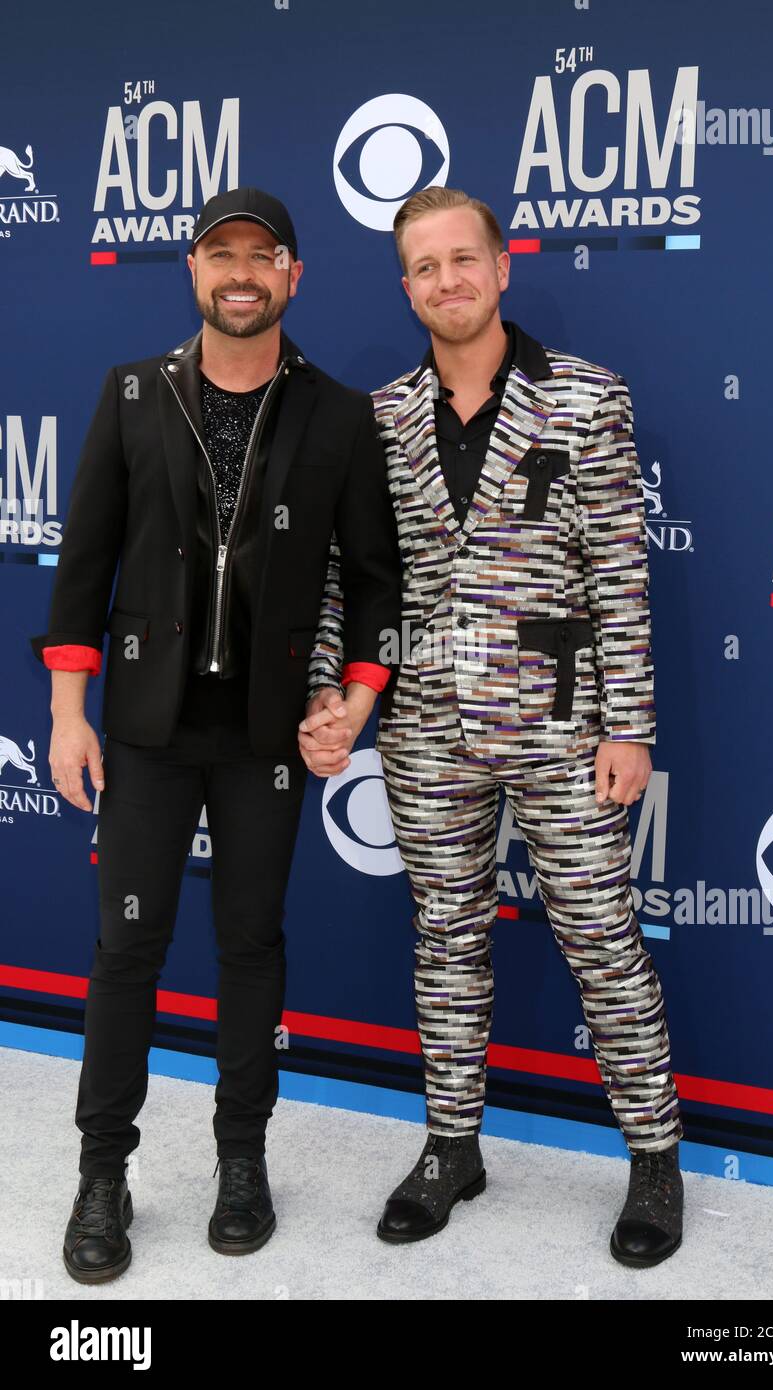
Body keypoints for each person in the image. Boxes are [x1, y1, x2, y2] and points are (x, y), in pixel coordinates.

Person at [299, 186, 684, 1268]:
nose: (446, 281)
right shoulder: (375, 419)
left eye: (462, 259)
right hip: (422, 729)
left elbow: (617, 571)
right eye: (423, 267)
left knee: (601, 940)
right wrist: (331, 689)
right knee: (446, 943)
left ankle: (653, 1154)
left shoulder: (587, 398)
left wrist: (630, 726)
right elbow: (351, 580)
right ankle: (451, 1145)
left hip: (566, 728)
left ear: (501, 265)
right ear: (405, 284)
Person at [30, 186, 400, 1283]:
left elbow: (378, 582)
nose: (240, 273)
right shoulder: (134, 392)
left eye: (262, 255)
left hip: (267, 738)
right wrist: (66, 715)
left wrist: (354, 703)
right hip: (144, 732)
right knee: (126, 950)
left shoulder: (337, 414)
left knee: (249, 945)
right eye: (219, 254)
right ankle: (105, 1172)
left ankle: (243, 1160)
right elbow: (83, 565)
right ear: (194, 273)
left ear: (293, 276)